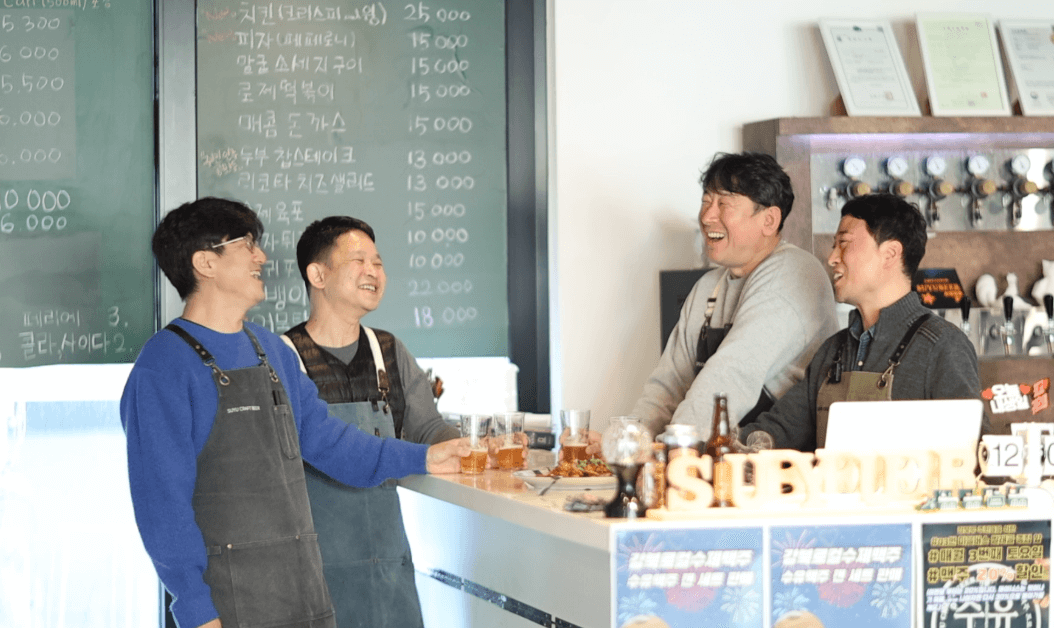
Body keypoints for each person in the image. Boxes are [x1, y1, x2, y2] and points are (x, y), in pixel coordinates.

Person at [120, 197, 468, 628]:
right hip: (227, 608)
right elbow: (162, 507)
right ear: (205, 263)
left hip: (304, 597)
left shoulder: (269, 351)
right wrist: (195, 609)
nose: (261, 257)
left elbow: (333, 443)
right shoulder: (163, 368)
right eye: (246, 244)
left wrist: (425, 457)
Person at [280, 216, 460, 628]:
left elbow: (427, 429)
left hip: (388, 566)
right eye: (359, 260)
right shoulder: (284, 357)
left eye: (378, 263)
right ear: (317, 275)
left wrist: (467, 447)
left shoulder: (388, 350)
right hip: (314, 568)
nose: (373, 272)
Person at [738, 193, 984, 451]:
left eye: (844, 243)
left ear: (890, 254)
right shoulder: (832, 351)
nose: (832, 258)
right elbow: (779, 430)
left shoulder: (942, 346)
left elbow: (973, 449)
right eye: (834, 245)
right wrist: (734, 444)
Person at [631, 152, 838, 438]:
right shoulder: (708, 286)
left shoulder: (794, 272)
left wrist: (675, 446)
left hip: (778, 456)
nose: (707, 217)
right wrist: (631, 440)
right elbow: (669, 384)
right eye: (706, 201)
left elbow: (732, 375)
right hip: (724, 451)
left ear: (769, 220)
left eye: (724, 204)